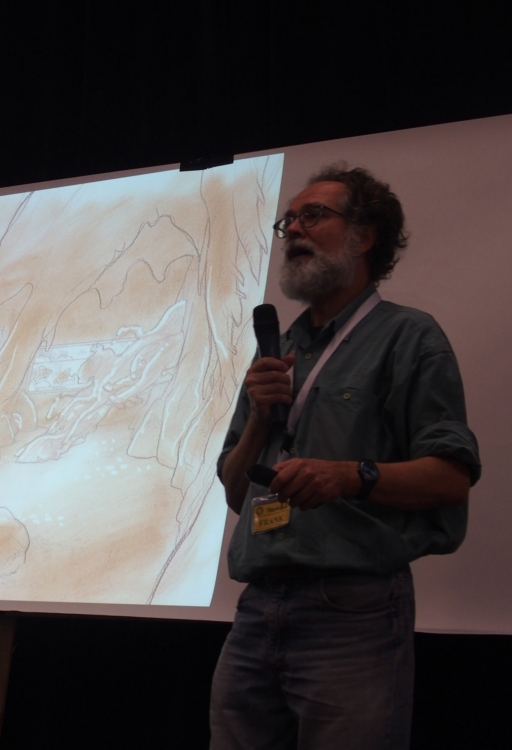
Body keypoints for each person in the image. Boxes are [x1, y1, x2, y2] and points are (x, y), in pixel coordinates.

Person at [210, 165, 481, 750]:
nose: (293, 230)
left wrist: (351, 476)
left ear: (364, 236)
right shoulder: (278, 351)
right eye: (288, 221)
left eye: (313, 216)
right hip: (257, 609)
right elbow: (235, 492)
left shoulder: (409, 337)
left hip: (352, 611)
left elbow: (451, 477)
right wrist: (258, 419)